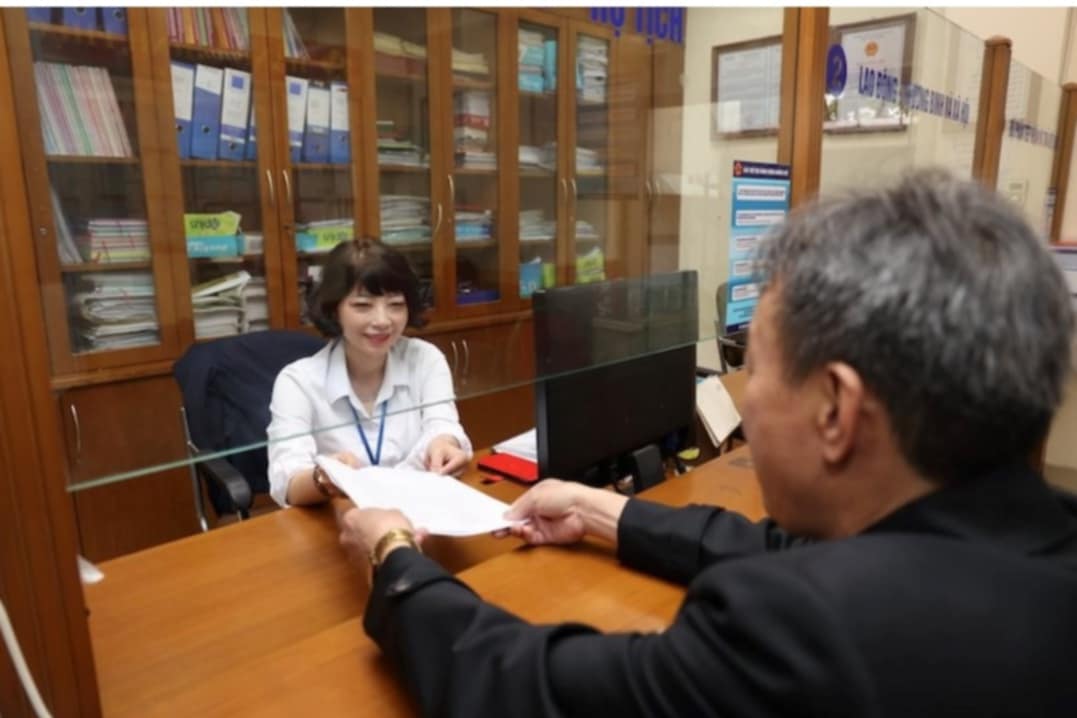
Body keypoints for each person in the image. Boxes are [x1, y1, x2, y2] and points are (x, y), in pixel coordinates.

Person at [338, 170, 1077, 716]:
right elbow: (791, 554)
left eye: (753, 363)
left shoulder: (808, 631)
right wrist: (602, 512)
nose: (743, 395)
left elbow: (527, 689)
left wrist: (393, 558)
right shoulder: (1032, 534)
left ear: (836, 410)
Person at [267, 238, 472, 507]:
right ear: (334, 309)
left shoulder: (425, 359)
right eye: (363, 305)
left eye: (396, 304)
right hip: (341, 518)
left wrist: (444, 444)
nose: (382, 321)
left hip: (419, 510)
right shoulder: (297, 382)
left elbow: (442, 423)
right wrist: (324, 478)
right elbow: (288, 483)